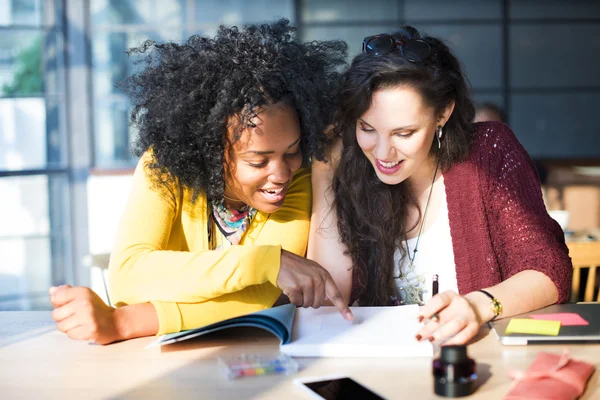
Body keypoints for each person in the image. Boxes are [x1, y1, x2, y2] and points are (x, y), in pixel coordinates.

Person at [49, 19, 353, 345]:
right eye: (257, 161)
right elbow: (128, 276)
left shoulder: (298, 180)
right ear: (210, 151)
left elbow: (258, 299)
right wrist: (266, 260)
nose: (281, 174)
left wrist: (124, 323)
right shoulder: (162, 168)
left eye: (292, 151)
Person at [309, 26, 572, 345]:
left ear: (443, 113)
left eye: (403, 133)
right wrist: (324, 174)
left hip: (470, 368)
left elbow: (549, 270)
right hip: (381, 374)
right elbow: (328, 301)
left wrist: (476, 306)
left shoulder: (488, 153)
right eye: (367, 128)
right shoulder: (353, 168)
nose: (381, 153)